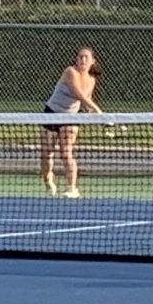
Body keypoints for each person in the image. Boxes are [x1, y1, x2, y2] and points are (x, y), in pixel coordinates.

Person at [40, 46, 104, 198]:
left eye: (86, 57)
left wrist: (95, 115)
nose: (82, 60)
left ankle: (72, 188)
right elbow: (79, 95)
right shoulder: (70, 72)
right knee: (46, 152)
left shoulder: (91, 80)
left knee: (66, 152)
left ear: (92, 62)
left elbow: (85, 102)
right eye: (80, 57)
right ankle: (48, 181)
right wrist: (98, 110)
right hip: (52, 113)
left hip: (71, 117)